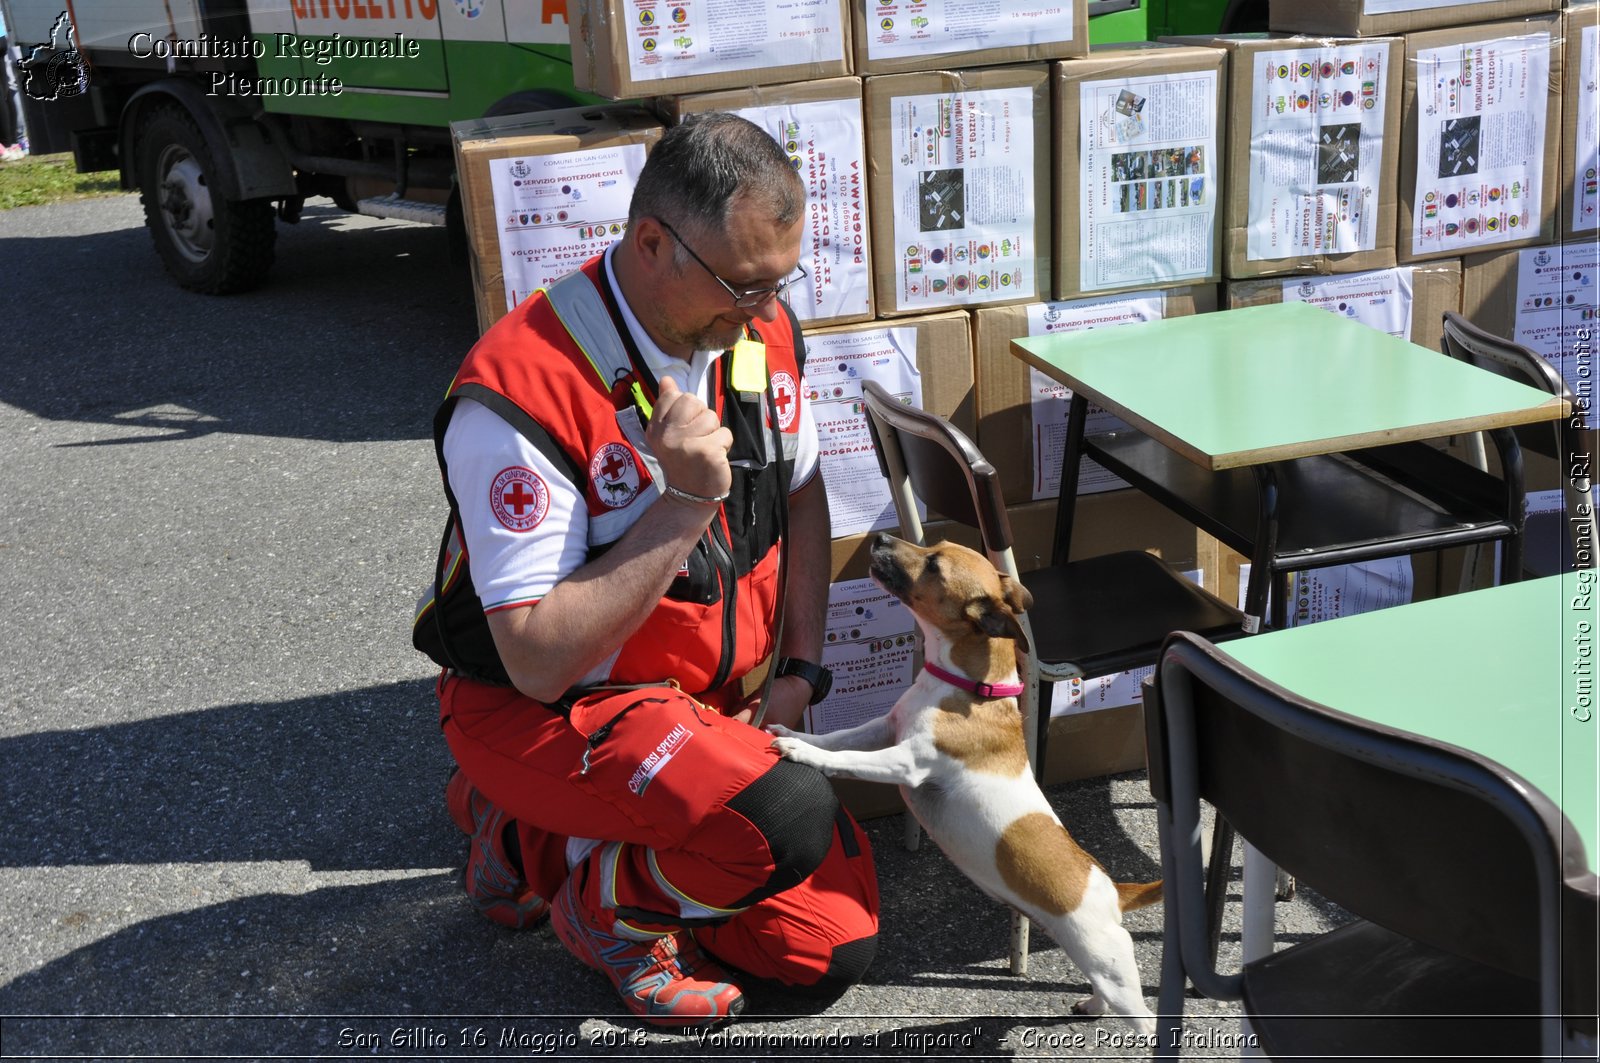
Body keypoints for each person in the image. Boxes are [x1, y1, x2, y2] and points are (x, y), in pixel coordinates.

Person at [413, 113, 879, 1027]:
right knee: (781, 818)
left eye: (779, 282)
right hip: (544, 710)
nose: (764, 309)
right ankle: (604, 908)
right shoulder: (519, 391)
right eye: (745, 285)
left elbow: (804, 493)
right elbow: (538, 659)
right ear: (653, 241)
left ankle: (532, 842)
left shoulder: (755, 326)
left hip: (696, 709)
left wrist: (801, 669)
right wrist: (685, 503)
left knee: (828, 944)